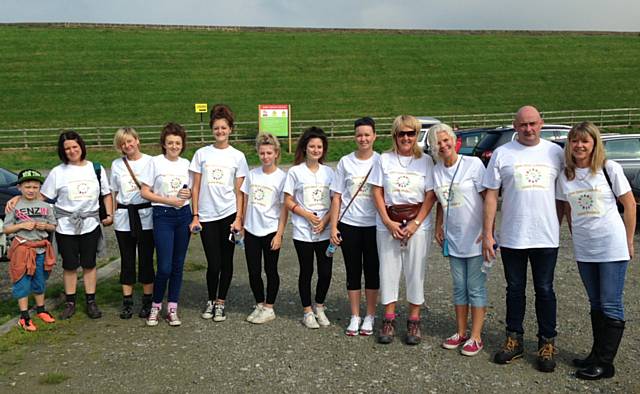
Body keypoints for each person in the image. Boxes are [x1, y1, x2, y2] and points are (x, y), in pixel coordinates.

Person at [482, 105, 564, 372]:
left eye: (533, 124)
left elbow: (563, 195)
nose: (528, 129)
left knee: (545, 289)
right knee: (514, 289)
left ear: (542, 123)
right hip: (514, 236)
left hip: (545, 236)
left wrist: (557, 223)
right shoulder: (502, 153)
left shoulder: (555, 152)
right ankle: (514, 339)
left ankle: (546, 342)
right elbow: (492, 195)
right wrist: (488, 232)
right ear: (515, 126)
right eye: (523, 125)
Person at [557, 122, 635, 380]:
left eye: (585, 141)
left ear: (594, 144)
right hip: (585, 249)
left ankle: (605, 363)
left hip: (611, 246)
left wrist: (628, 241)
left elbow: (629, 204)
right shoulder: (565, 175)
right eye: (575, 141)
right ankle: (596, 353)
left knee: (611, 302)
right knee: (595, 303)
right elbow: (567, 209)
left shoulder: (608, 169)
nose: (579, 146)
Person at [369, 115, 436, 345]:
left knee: (415, 271)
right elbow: (376, 191)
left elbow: (430, 194)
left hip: (417, 223)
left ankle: (414, 320)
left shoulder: (426, 161)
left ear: (417, 135)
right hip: (389, 222)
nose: (406, 138)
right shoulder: (384, 159)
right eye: (401, 134)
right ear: (394, 136)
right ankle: (388, 318)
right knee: (388, 270)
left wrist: (416, 222)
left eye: (411, 133)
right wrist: (388, 222)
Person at [40, 130, 113, 320]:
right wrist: (18, 200)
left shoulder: (95, 169)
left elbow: (106, 194)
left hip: (90, 224)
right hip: (66, 226)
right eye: (67, 148)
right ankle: (70, 302)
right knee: (70, 265)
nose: (72, 151)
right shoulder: (58, 172)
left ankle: (91, 301)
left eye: (74, 146)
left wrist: (109, 214)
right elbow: (43, 197)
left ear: (81, 146)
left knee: (89, 264)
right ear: (62, 151)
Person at [429, 124, 487, 356]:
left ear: (455, 141)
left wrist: (489, 230)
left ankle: (476, 336)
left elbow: (488, 199)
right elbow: (442, 200)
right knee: (459, 288)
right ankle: (461, 331)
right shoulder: (437, 171)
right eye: (438, 143)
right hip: (453, 238)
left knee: (475, 288)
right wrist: (438, 225)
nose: (443, 146)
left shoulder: (473, 165)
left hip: (475, 237)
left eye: (446, 140)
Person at [189, 104, 249, 322]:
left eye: (224, 128)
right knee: (213, 263)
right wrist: (195, 214)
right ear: (212, 130)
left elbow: (240, 191)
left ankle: (221, 302)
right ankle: (210, 299)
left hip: (228, 214)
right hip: (206, 215)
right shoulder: (201, 154)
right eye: (216, 128)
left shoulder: (238, 156)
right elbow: (195, 186)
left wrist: (239, 218)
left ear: (230, 129)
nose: (220, 131)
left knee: (227, 261)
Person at [329, 116, 380, 336]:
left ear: (375, 136)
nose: (363, 138)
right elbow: (337, 196)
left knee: (372, 271)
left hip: (375, 225)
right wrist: (333, 227)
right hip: (349, 224)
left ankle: (369, 315)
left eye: (367, 134)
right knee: (352, 271)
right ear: (354, 137)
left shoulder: (381, 160)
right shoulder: (345, 162)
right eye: (359, 134)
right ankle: (355, 315)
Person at [140, 123, 192, 327]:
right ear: (164, 143)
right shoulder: (155, 162)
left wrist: (187, 194)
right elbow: (145, 191)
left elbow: (191, 189)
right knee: (164, 266)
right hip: (163, 215)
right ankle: (155, 306)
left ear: (182, 144)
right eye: (170, 142)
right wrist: (168, 200)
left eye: (178, 143)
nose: (174, 146)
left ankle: (172, 307)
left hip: (183, 215)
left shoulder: (186, 163)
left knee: (178, 266)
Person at [284, 127, 335, 329]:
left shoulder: (329, 172)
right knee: (306, 271)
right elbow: (288, 200)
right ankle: (307, 311)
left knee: (326, 272)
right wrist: (306, 215)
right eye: (311, 146)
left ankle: (320, 306)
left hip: (324, 231)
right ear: (305, 148)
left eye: (319, 147)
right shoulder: (295, 172)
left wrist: (325, 221)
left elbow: (335, 201)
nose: (315, 150)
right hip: (302, 232)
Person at [241, 133, 288, 324]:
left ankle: (269, 307)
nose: (266, 156)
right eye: (262, 153)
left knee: (271, 270)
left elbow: (284, 209)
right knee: (253, 271)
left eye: (269, 153)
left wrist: (279, 234)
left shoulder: (282, 177)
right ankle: (259, 303)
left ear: (276, 153)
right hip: (252, 230)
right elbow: (244, 201)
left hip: (270, 230)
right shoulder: (252, 175)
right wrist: (242, 224)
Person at [4, 169, 57, 331]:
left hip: (40, 248)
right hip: (22, 248)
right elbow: (6, 229)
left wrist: (45, 226)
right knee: (22, 281)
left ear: (39, 188)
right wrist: (21, 225)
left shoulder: (45, 206)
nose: (31, 190)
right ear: (19, 187)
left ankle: (41, 309)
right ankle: (24, 316)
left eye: (35, 187)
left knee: (39, 280)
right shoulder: (14, 206)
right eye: (27, 187)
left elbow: (53, 226)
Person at [110, 127, 155, 319]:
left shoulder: (150, 161)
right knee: (127, 259)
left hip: (145, 215)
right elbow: (113, 192)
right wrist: (112, 213)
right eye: (123, 143)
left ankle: (147, 300)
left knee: (146, 259)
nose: (127, 145)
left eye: (130, 141)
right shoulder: (117, 165)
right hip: (124, 216)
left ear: (137, 140)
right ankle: (127, 302)